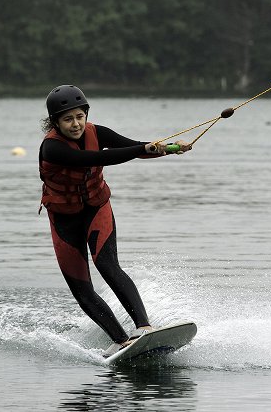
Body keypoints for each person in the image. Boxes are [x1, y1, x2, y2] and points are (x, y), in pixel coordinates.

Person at [38, 85, 191, 357]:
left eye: (79, 116)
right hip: (64, 220)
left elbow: (130, 147)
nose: (75, 124)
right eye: (67, 119)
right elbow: (98, 158)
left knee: (107, 264)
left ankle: (143, 327)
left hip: (96, 208)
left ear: (86, 114)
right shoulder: (52, 148)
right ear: (55, 122)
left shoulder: (99, 132)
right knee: (82, 288)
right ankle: (120, 341)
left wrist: (168, 148)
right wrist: (141, 148)